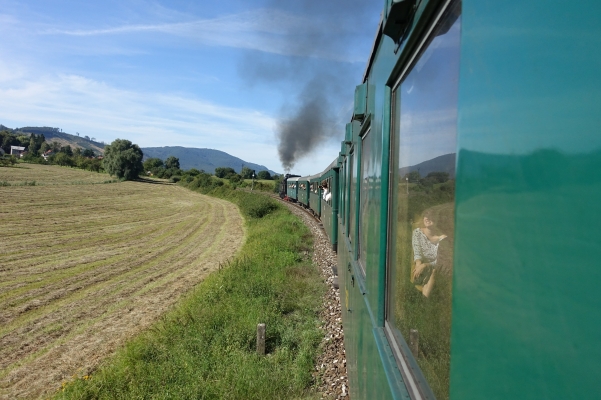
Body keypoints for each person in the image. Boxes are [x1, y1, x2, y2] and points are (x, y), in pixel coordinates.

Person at [411, 209, 447, 298]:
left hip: (437, 268)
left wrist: (426, 265)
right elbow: (417, 251)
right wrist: (419, 264)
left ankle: (424, 302)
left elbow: (442, 261)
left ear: (438, 219)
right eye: (426, 216)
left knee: (434, 272)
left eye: (431, 216)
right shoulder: (417, 233)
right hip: (420, 265)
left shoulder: (443, 237)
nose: (427, 218)